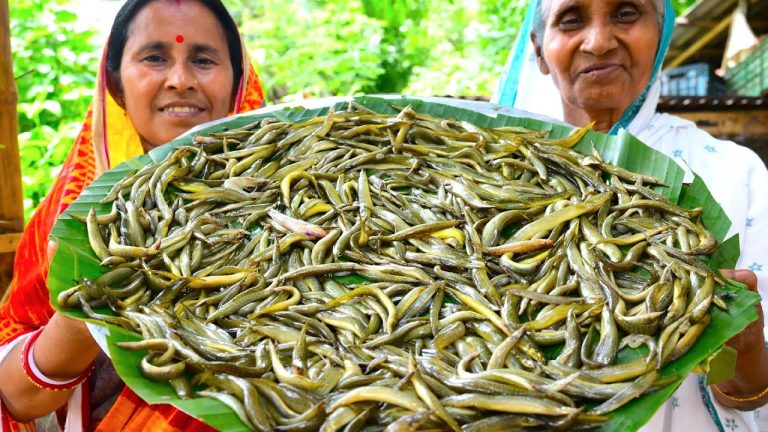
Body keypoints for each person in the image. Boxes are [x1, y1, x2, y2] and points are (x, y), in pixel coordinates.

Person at [494, 0, 768, 430]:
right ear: (539, 50)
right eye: (571, 19)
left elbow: (745, 393)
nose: (599, 42)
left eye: (626, 13)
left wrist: (742, 349)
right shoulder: (499, 173)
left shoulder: (733, 172)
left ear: (660, 34)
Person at [0, 0, 264, 430]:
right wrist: (93, 298)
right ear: (116, 83)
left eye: (203, 59)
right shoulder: (71, 221)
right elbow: (16, 400)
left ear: (238, 81)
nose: (180, 80)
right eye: (155, 57)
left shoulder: (300, 202)